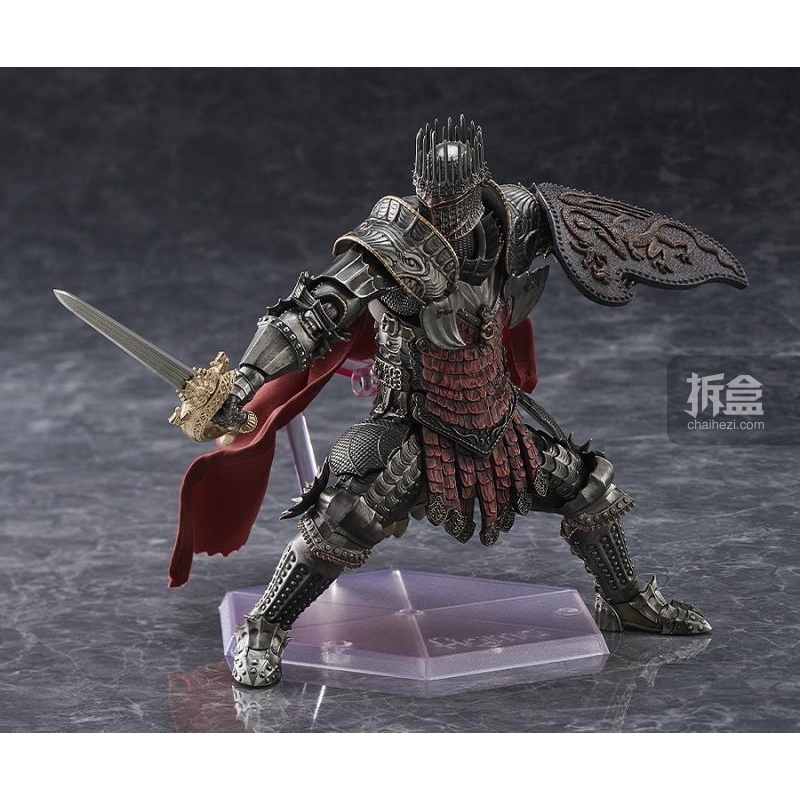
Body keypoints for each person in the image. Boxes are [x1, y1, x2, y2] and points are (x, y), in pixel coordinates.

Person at [177, 116, 747, 688]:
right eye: (433, 199)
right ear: (419, 189)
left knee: (589, 486)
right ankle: (265, 626)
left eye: (455, 199)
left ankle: (625, 602)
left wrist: (665, 251)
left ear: (481, 184)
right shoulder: (389, 242)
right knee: (346, 511)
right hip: (413, 424)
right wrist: (245, 381)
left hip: (497, 419)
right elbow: (311, 313)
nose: (443, 212)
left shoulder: (519, 216)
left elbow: (605, 231)